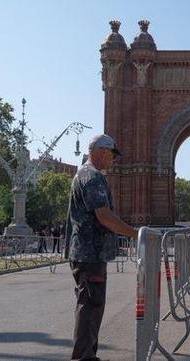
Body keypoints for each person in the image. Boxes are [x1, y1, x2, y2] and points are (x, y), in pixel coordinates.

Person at [64, 134, 138, 361]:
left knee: (91, 306)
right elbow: (104, 216)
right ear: (102, 151)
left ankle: (87, 356)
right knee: (89, 307)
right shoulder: (93, 177)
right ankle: (83, 358)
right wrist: (136, 234)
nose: (113, 160)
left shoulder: (84, 174)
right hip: (90, 254)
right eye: (112, 155)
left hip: (88, 253)